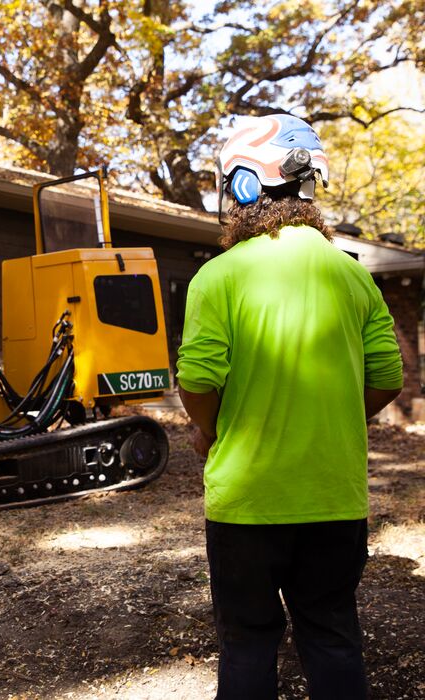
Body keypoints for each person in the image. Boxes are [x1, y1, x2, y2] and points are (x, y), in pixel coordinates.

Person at [176, 113, 403, 700]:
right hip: (334, 495)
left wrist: (209, 432)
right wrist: (331, 416)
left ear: (246, 185)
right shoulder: (353, 277)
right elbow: (389, 379)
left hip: (247, 505)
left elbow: (198, 379)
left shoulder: (218, 276)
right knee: (331, 636)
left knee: (249, 641)